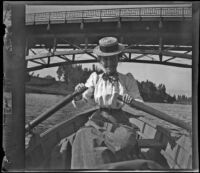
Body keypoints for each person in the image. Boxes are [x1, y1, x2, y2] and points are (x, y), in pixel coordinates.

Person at [50, 37, 144, 169]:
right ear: (100, 60)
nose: (109, 62)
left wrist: (132, 101)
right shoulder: (94, 78)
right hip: (97, 120)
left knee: (126, 140)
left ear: (118, 58)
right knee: (84, 135)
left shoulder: (127, 79)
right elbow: (81, 104)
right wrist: (77, 95)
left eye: (113, 58)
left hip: (120, 122)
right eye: (105, 59)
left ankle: (98, 163)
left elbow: (140, 105)